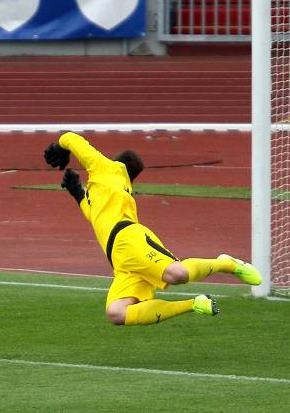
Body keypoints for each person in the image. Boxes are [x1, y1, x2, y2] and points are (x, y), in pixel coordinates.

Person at [44, 131, 262, 326]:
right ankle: (195, 304)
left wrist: (59, 146)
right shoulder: (107, 192)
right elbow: (94, 215)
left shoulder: (107, 168)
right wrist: (76, 192)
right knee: (117, 313)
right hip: (121, 260)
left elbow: (71, 137)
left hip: (128, 239)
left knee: (177, 274)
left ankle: (228, 264)